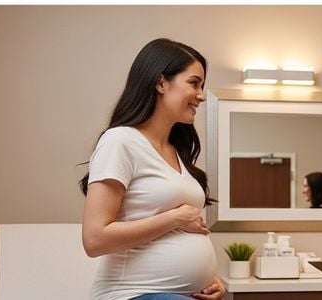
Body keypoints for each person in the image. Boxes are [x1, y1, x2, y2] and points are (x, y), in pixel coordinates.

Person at [79, 38, 225, 300]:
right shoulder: (120, 141)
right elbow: (94, 239)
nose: (201, 95)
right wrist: (175, 219)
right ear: (160, 83)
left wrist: (210, 280)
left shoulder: (177, 152)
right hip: (130, 294)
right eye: (194, 83)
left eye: (202, 86)